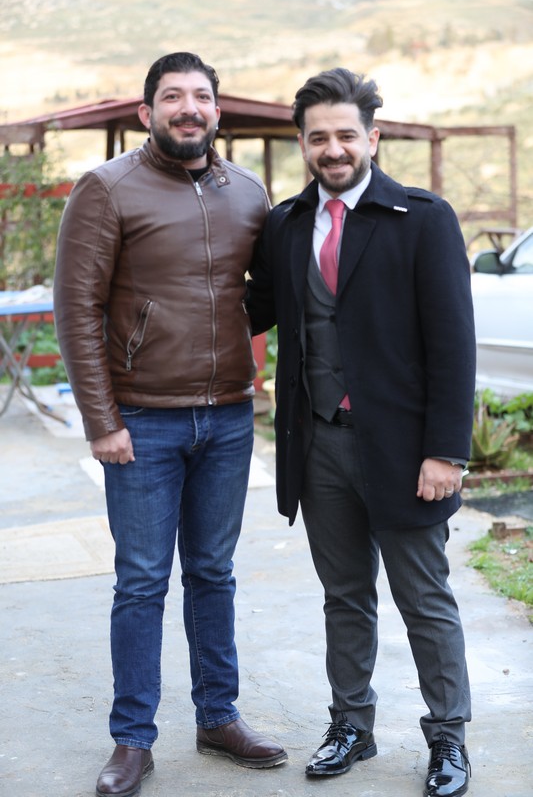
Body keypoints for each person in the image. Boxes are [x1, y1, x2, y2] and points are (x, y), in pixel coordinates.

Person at [54, 51, 287, 797]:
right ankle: (132, 740)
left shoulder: (248, 192)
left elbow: (264, 294)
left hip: (228, 417)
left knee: (213, 574)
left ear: (217, 109)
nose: (189, 108)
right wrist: (101, 420)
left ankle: (218, 717)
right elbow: (76, 309)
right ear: (146, 111)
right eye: (173, 96)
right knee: (142, 583)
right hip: (141, 422)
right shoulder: (106, 188)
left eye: (201, 96)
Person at [246, 67, 476, 797]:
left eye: (346, 134)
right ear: (303, 145)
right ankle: (351, 725)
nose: (333, 148)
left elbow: (453, 344)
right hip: (318, 445)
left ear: (372, 138)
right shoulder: (285, 224)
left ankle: (447, 736)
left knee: (424, 599)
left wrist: (446, 451)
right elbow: (252, 309)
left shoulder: (422, 218)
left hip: (405, 452)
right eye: (318, 137)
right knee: (344, 596)